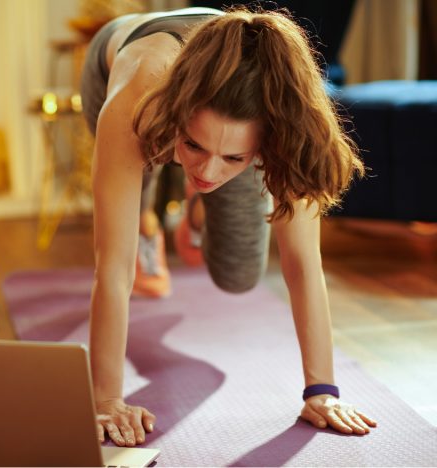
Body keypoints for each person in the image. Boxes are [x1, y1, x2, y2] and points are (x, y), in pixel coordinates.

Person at [79, 6, 377, 447]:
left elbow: (302, 263)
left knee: (238, 274)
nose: (209, 171)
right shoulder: (135, 97)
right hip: (118, 64)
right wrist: (106, 399)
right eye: (193, 146)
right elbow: (114, 269)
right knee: (132, 207)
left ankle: (197, 209)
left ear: (266, 142)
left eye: (235, 159)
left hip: (225, 101)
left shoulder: (288, 117)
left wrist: (323, 392)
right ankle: (148, 219)